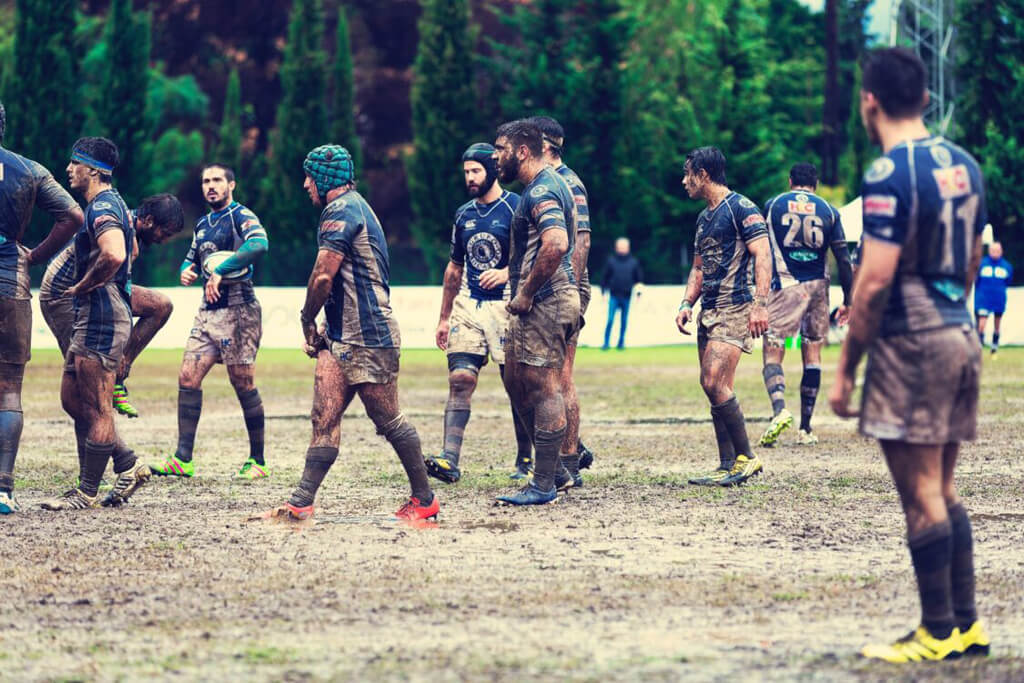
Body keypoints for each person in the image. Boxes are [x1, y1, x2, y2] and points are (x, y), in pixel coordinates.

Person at [830, 47, 989, 662]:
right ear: (924, 97)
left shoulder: (887, 173)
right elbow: (973, 255)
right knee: (943, 488)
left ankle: (936, 630)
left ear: (870, 101)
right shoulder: (966, 165)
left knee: (919, 491)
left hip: (911, 340)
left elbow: (872, 282)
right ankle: (966, 624)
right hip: (959, 331)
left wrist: (846, 369)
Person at [274, 144, 438, 522]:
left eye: (309, 177)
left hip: (369, 336)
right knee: (324, 416)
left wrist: (305, 320)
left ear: (325, 179)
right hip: (339, 336)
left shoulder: (341, 210)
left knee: (388, 420)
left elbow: (323, 275)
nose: (304, 185)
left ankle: (425, 499)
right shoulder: (353, 207)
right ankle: (301, 501)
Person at [40, 194, 184, 482]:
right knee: (84, 390)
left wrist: (122, 357)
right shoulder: (123, 236)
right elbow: (109, 266)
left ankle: (121, 369)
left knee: (160, 306)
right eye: (163, 233)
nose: (163, 240)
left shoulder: (128, 228)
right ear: (149, 221)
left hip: (97, 292)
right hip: (65, 296)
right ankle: (120, 462)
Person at [40, 137, 150, 510]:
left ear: (93, 170)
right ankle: (128, 464)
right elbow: (131, 248)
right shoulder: (111, 203)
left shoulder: (102, 205)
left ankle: (86, 493)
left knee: (100, 406)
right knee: (72, 399)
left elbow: (116, 253)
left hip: (102, 318)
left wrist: (84, 284)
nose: (69, 169)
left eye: (75, 163)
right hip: (94, 316)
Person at [151, 164, 269, 480]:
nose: (211, 186)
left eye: (217, 180)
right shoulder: (203, 223)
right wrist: (186, 270)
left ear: (232, 184)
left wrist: (221, 269)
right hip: (207, 312)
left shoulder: (241, 216)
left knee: (242, 382)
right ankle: (183, 459)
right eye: (205, 181)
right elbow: (193, 257)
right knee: (188, 377)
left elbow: (259, 244)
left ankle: (257, 461)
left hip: (239, 311)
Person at [425, 143, 531, 484]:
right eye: (466, 172)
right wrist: (444, 317)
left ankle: (526, 459)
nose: (469, 178)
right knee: (460, 379)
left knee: (516, 385)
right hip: (469, 305)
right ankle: (449, 459)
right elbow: (455, 268)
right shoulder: (464, 214)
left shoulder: (516, 207)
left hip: (506, 305)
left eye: (476, 171)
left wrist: (506, 273)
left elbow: (535, 257)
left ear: (493, 170)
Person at [0, 100, 84, 514]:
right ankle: (2, 489)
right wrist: (32, 255)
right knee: (8, 390)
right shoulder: (29, 169)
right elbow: (73, 215)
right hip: (11, 286)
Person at [492, 119, 580, 505]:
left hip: (545, 301)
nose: (496, 158)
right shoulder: (544, 186)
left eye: (500, 150)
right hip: (543, 301)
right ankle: (554, 471)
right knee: (515, 381)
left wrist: (527, 292)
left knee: (544, 388)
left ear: (522, 151)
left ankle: (544, 483)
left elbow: (557, 242)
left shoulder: (542, 189)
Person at [675, 146, 771, 487]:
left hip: (736, 307)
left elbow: (764, 254)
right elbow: (698, 268)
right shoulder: (703, 218)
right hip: (709, 309)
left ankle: (747, 458)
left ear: (703, 174)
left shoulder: (742, 208)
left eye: (688, 173)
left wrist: (760, 304)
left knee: (714, 381)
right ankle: (728, 463)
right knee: (715, 387)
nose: (684, 181)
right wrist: (687, 304)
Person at [758, 163, 854, 447]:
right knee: (812, 355)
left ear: (790, 182)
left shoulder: (773, 205)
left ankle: (779, 411)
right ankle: (806, 428)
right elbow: (844, 260)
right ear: (816, 183)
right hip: (818, 289)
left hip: (784, 286)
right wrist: (849, 300)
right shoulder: (829, 210)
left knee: (773, 353)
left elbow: (759, 249)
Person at [530, 115, 595, 482]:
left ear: (546, 146)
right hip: (554, 286)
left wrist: (568, 288)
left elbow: (580, 242)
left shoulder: (569, 184)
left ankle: (568, 461)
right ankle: (569, 450)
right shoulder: (547, 182)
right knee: (545, 376)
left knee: (561, 375)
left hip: (566, 286)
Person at [601, 237, 643, 351]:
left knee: (624, 321)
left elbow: (638, 279)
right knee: (610, 320)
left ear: (628, 248)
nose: (622, 249)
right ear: (616, 248)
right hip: (613, 296)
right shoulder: (611, 261)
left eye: (623, 246)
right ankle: (606, 343)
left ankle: (621, 343)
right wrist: (603, 291)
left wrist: (639, 294)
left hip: (627, 296)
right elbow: (605, 277)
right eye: (620, 246)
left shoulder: (633, 262)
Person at [974, 241, 1011, 356]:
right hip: (984, 298)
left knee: (997, 323)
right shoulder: (982, 264)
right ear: (989, 251)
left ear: (1001, 251)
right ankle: (979, 344)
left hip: (999, 299)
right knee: (982, 322)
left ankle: (994, 345)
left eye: (997, 250)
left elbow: (1008, 282)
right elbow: (976, 280)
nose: (995, 252)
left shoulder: (1007, 266)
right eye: (993, 250)